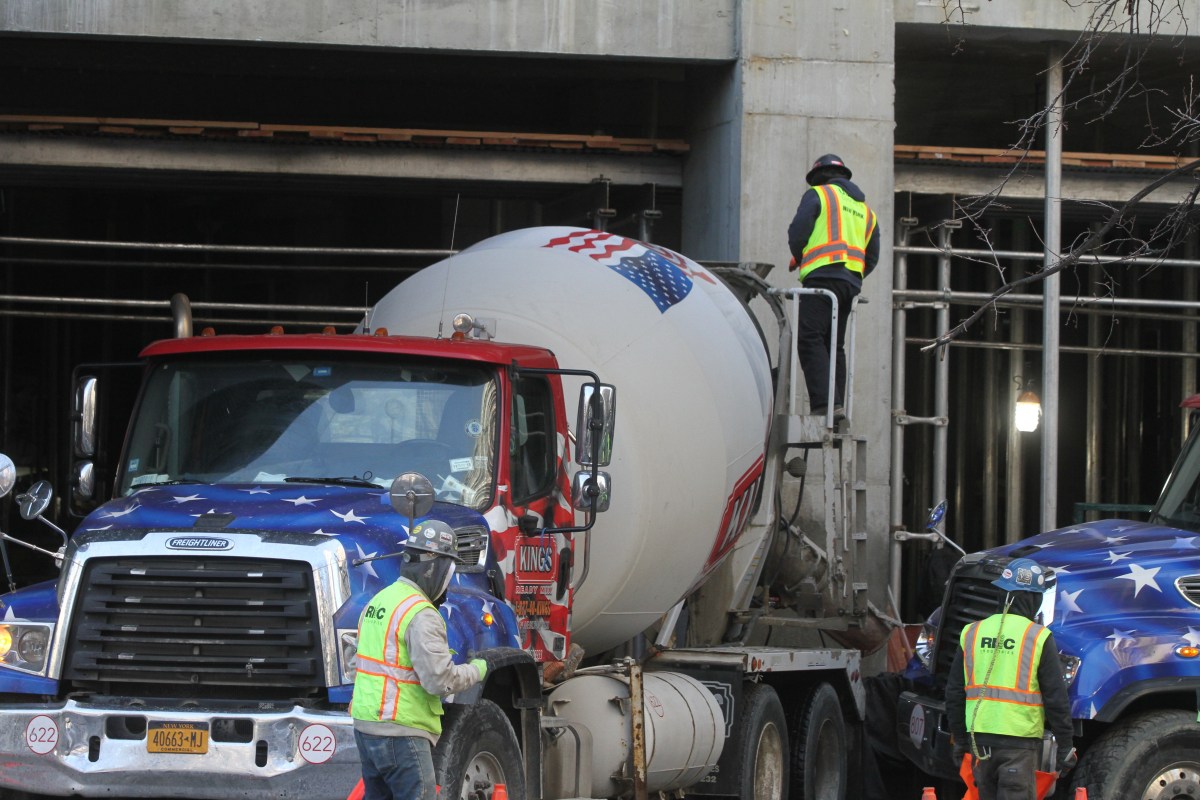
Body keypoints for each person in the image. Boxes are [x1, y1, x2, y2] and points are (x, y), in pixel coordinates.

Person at [350, 519, 488, 800]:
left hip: (366, 727)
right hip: (401, 732)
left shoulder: (379, 601)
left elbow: (357, 665)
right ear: (435, 568)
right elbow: (439, 681)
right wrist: (478, 669)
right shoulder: (421, 613)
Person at [945, 558, 1077, 800]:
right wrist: (1065, 745)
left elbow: (954, 693)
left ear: (1002, 594)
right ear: (1034, 598)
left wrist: (961, 741)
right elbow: (1055, 698)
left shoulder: (972, 633)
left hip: (980, 746)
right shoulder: (1037, 637)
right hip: (1019, 747)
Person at [787, 153, 880, 417]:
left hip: (821, 279)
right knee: (834, 345)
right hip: (850, 284)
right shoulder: (865, 210)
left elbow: (797, 231)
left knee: (809, 338)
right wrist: (850, 274)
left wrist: (803, 256)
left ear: (818, 176)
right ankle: (837, 406)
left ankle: (824, 405)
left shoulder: (819, 194)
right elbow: (872, 256)